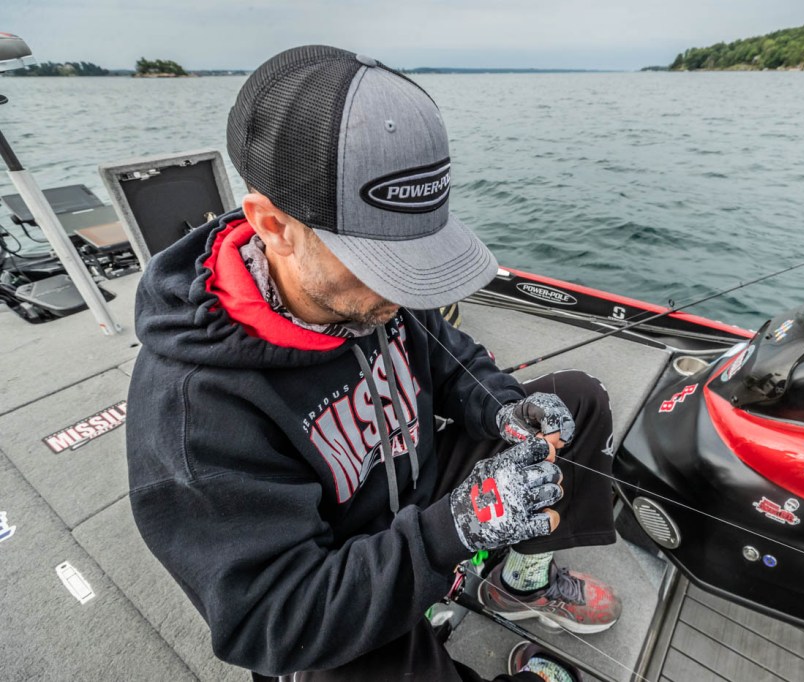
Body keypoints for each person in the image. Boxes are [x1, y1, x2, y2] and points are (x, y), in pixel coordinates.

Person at [126, 45, 621, 682]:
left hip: (421, 497)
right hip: (337, 573)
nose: (409, 289)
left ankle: (519, 583)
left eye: (420, 254)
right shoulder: (194, 406)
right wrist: (452, 531)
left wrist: (504, 408)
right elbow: (271, 617)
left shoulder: (375, 298)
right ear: (273, 225)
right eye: (380, 261)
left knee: (575, 402)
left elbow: (448, 355)